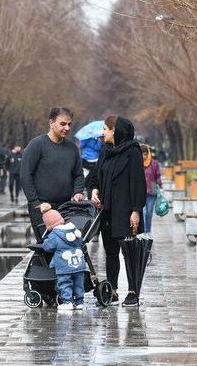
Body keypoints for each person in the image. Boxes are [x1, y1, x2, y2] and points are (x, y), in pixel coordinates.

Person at [89, 116, 146, 307]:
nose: (102, 132)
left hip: (127, 210)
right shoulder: (106, 150)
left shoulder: (132, 151)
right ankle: (112, 291)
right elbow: (96, 174)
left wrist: (136, 210)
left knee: (129, 251)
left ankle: (133, 292)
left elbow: (138, 183)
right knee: (110, 251)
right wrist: (95, 189)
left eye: (105, 129)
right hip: (108, 210)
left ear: (115, 131)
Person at [21, 107, 85, 242]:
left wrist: (78, 191)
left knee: (66, 246)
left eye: (69, 124)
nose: (67, 128)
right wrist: (36, 203)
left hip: (67, 207)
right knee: (47, 247)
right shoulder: (37, 145)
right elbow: (26, 175)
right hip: (43, 208)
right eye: (62, 124)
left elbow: (78, 174)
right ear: (52, 123)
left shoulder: (72, 148)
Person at [41, 206, 86, 311]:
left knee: (65, 283)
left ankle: (67, 302)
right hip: (79, 264)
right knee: (79, 283)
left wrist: (45, 242)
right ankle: (80, 302)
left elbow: (48, 247)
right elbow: (81, 243)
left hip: (64, 266)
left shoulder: (54, 235)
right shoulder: (75, 231)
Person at [141, 143, 162, 236]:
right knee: (144, 212)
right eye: (142, 154)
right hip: (141, 191)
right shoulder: (136, 163)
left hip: (152, 190)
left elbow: (158, 176)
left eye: (145, 154)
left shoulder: (154, 163)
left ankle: (148, 230)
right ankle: (144, 231)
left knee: (149, 212)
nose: (143, 156)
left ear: (148, 153)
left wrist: (160, 186)